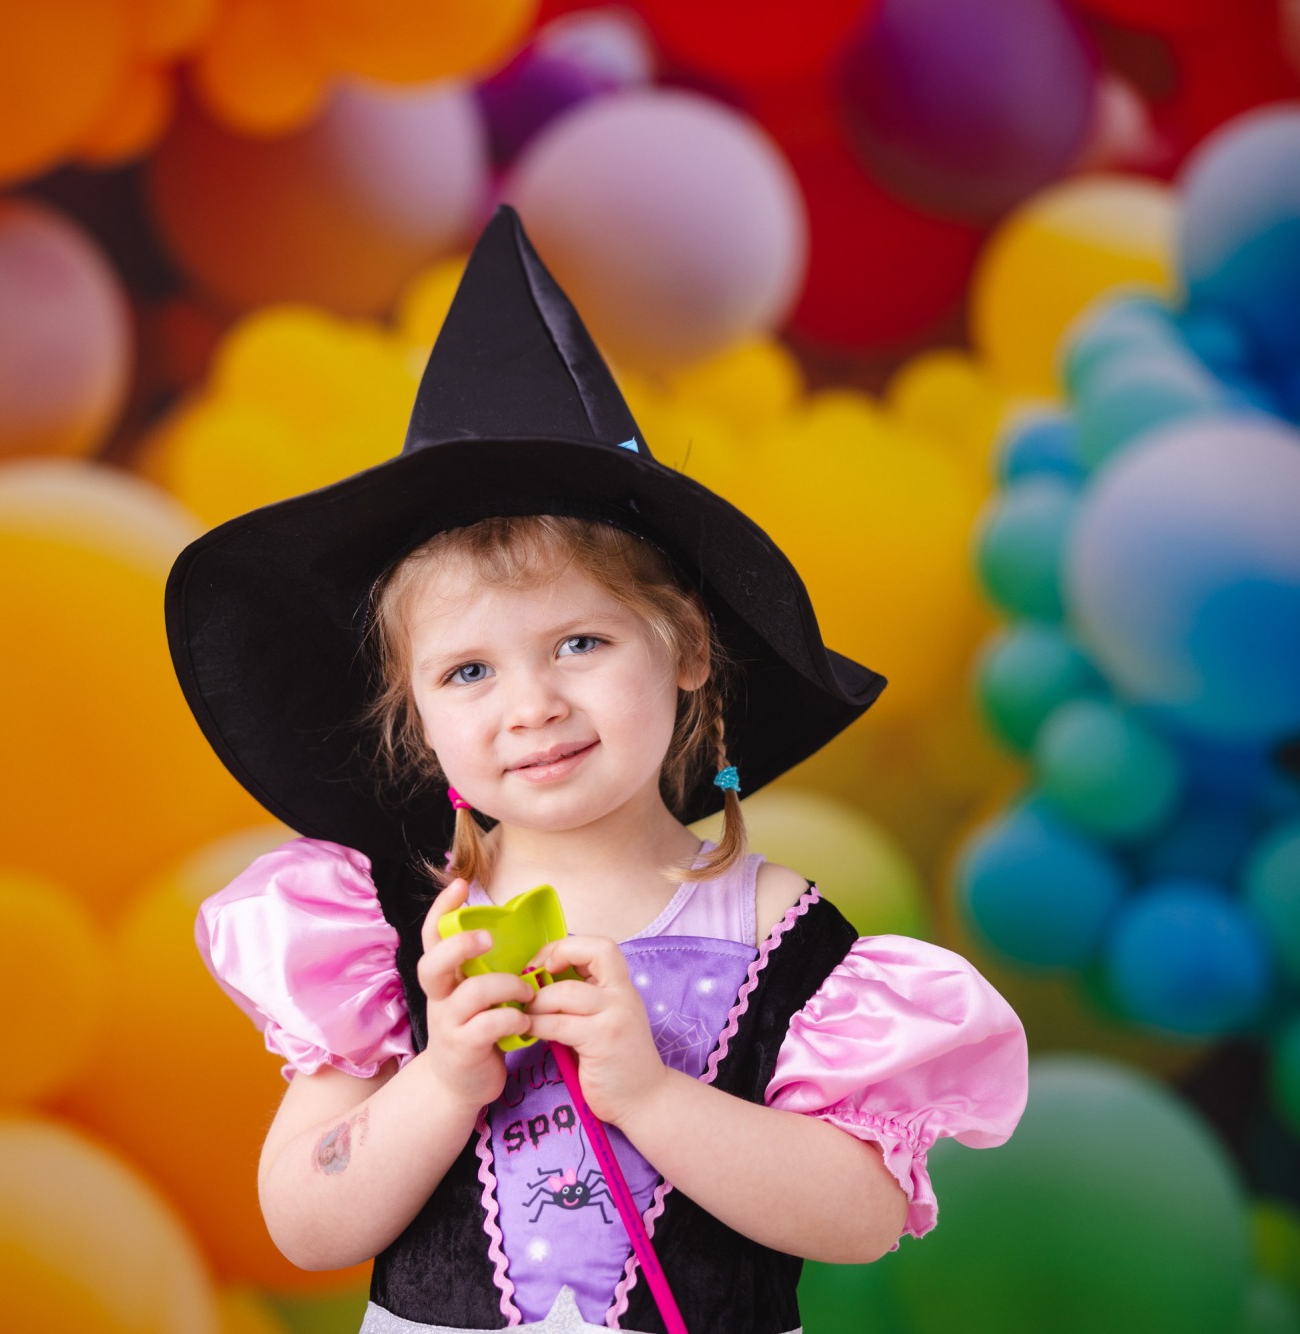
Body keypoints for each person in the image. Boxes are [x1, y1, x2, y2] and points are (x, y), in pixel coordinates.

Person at [164, 206, 1028, 1334]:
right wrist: (441, 1081)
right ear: (417, 717)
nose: (531, 705)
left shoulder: (776, 929)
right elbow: (306, 1221)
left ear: (687, 649)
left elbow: (860, 1216)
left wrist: (652, 1094)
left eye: (579, 642)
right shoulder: (395, 929)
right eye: (468, 670)